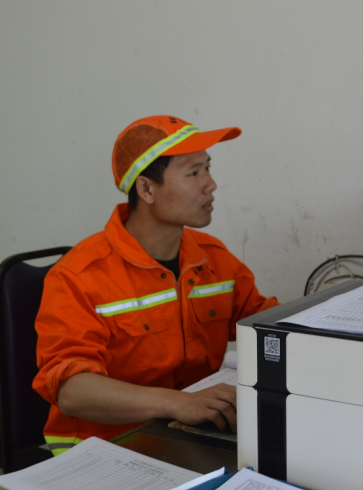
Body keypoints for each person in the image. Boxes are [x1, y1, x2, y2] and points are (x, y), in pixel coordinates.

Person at [33, 115, 279, 454]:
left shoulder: (213, 258)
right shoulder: (78, 275)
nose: (210, 184)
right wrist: (177, 403)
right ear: (146, 189)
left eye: (208, 168)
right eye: (193, 173)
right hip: (102, 447)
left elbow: (267, 323)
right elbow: (72, 390)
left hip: (187, 432)